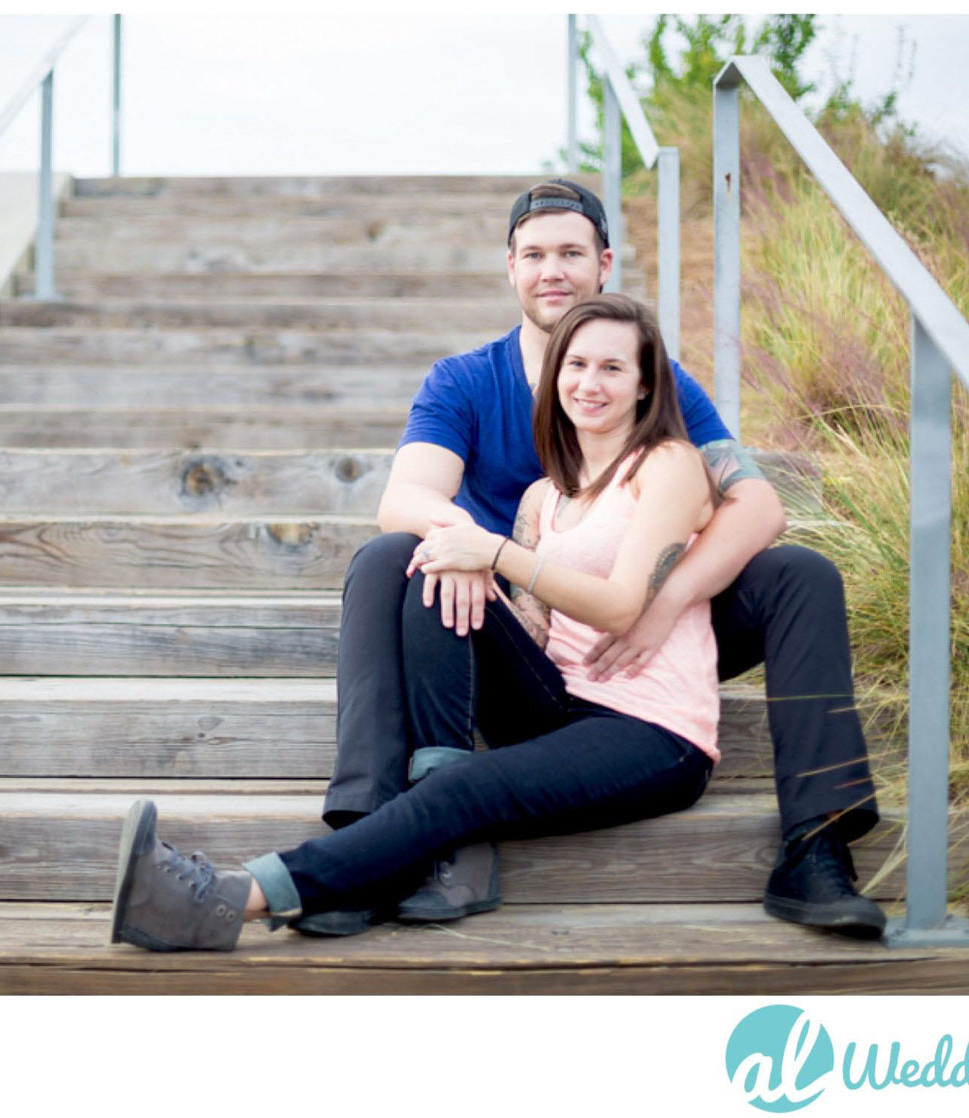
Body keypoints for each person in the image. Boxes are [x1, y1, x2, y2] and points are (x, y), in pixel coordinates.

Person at [309, 179, 885, 940]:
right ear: (509, 267)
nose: (554, 270)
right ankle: (373, 828)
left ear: (604, 265)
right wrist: (479, 551)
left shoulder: (653, 380)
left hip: (645, 634)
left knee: (800, 572)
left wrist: (669, 598)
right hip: (508, 633)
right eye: (536, 254)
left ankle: (817, 845)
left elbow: (760, 506)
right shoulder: (466, 381)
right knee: (392, 556)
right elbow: (405, 497)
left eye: (572, 253)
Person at [111, 294, 727, 952]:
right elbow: (535, 632)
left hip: (652, 734)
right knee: (422, 560)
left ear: (644, 385)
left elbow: (623, 605)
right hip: (560, 703)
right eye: (576, 364)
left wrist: (492, 553)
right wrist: (459, 563)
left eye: (612, 368)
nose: (589, 382)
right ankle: (401, 838)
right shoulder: (542, 496)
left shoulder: (667, 466)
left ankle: (224, 900)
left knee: (457, 786)